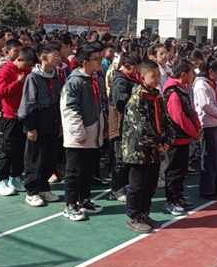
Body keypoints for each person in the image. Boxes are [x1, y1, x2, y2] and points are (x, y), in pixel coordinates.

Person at [122, 59, 174, 233]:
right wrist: (158, 144)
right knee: (137, 185)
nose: (157, 79)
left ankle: (144, 213)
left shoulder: (157, 96)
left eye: (159, 75)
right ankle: (133, 217)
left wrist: (167, 141)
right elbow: (141, 128)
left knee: (151, 184)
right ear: (142, 77)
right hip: (139, 150)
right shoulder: (137, 99)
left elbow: (166, 120)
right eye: (153, 76)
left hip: (155, 149)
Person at [60, 42, 106, 221]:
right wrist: (78, 133)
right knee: (74, 172)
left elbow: (100, 106)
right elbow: (70, 109)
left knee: (87, 170)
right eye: (96, 59)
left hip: (93, 134)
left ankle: (84, 199)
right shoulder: (75, 82)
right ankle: (70, 205)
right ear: (85, 62)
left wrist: (103, 128)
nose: (99, 62)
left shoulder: (95, 79)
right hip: (79, 136)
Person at [20, 43, 64, 206]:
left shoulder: (56, 77)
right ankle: (32, 192)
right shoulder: (33, 78)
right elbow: (28, 103)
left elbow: (60, 101)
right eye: (55, 55)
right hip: (37, 126)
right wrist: (30, 127)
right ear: (44, 58)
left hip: (53, 124)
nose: (58, 58)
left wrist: (60, 124)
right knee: (34, 159)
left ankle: (44, 188)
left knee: (50, 158)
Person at [0, 46, 37, 196]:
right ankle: (1, 180)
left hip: (23, 116)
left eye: (31, 66)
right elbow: (1, 93)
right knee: (7, 149)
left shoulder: (28, 72)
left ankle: (16, 177)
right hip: (10, 116)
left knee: (21, 150)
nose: (28, 68)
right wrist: (18, 82)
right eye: (27, 65)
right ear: (19, 59)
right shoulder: (5, 71)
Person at [162, 58, 201, 215]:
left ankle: (178, 197)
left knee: (181, 170)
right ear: (183, 74)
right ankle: (171, 200)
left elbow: (191, 110)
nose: (193, 75)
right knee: (174, 171)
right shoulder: (173, 92)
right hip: (176, 138)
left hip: (184, 137)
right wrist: (193, 131)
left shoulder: (182, 89)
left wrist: (197, 127)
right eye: (191, 72)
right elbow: (178, 117)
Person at [193, 55, 217, 200]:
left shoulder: (214, 84)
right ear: (211, 71)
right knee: (209, 159)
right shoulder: (201, 85)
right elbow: (205, 105)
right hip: (208, 125)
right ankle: (207, 190)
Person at [107, 52, 142, 202]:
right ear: (126, 66)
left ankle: (126, 184)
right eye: (136, 67)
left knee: (128, 156)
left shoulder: (133, 79)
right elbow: (122, 103)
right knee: (119, 158)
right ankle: (116, 188)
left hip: (130, 125)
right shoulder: (120, 81)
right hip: (119, 126)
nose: (138, 70)